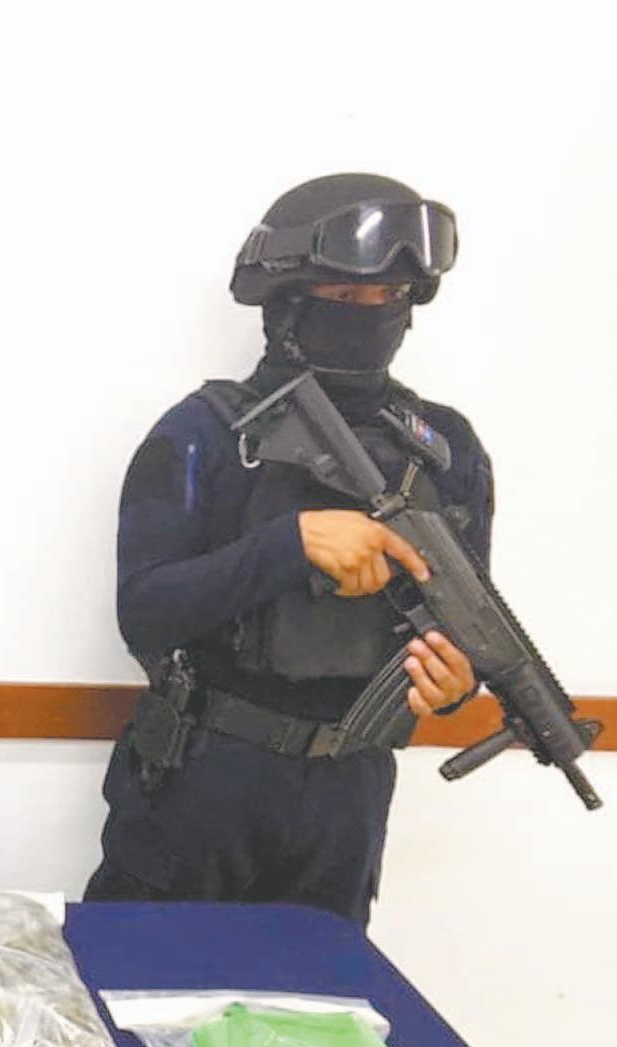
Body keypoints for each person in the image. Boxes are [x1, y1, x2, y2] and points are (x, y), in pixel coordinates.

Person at [84, 173, 493, 924]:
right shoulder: (206, 434)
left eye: (391, 296)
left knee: (319, 994)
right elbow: (143, 610)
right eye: (346, 296)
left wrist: (455, 683)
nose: (372, 314)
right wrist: (290, 544)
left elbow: (462, 624)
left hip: (346, 796)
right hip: (201, 780)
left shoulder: (445, 450)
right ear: (288, 303)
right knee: (149, 985)